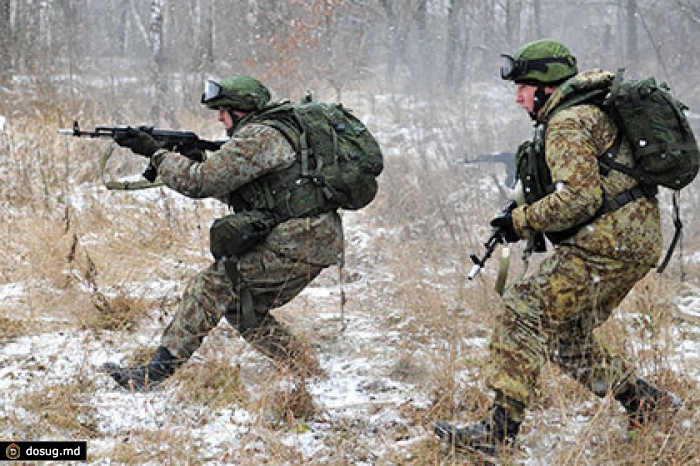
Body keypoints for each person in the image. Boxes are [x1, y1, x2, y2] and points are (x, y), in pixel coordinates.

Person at [434, 39, 681, 456]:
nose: (517, 96)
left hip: (607, 245)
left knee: (522, 310)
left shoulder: (568, 122)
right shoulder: (588, 110)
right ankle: (647, 403)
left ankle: (498, 432)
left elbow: (579, 198)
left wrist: (521, 221)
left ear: (546, 87)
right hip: (628, 242)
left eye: (523, 87)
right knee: (565, 335)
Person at [103, 76, 344, 389]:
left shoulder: (260, 137)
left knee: (212, 284)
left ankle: (153, 374)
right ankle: (303, 369)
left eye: (223, 110)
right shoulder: (275, 130)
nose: (219, 117)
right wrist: (193, 157)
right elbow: (246, 191)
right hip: (313, 238)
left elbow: (201, 183)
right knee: (242, 304)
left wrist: (158, 154)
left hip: (299, 241)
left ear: (240, 111)